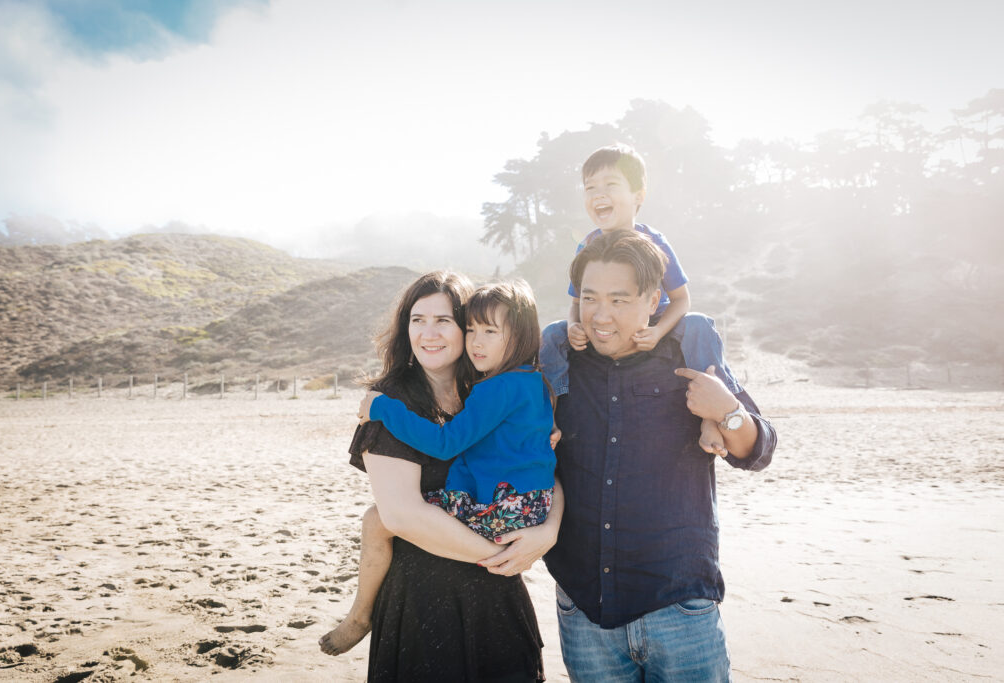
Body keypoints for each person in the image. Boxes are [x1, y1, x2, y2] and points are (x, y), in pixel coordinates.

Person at [544, 230, 777, 682]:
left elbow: (758, 450)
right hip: (584, 609)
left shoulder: (687, 353)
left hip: (678, 605)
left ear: (654, 301)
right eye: (590, 298)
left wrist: (726, 411)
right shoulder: (561, 365)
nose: (601, 315)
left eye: (619, 300)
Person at [319, 271, 560, 682]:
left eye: (445, 321)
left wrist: (549, 532)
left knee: (374, 520)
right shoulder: (393, 398)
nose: (428, 332)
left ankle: (359, 615)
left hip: (497, 598)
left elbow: (547, 469)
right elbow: (402, 516)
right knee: (379, 518)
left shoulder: (485, 388)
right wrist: (501, 556)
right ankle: (361, 616)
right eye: (417, 319)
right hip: (425, 601)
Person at [540, 143, 740, 455]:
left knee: (699, 326)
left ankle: (713, 416)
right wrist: (573, 325)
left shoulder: (655, 242)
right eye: (590, 187)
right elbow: (577, 301)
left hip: (656, 322)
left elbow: (681, 299)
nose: (598, 194)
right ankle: (549, 415)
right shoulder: (587, 246)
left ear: (638, 196)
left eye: (611, 185)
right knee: (552, 334)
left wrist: (659, 331)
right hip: (604, 327)